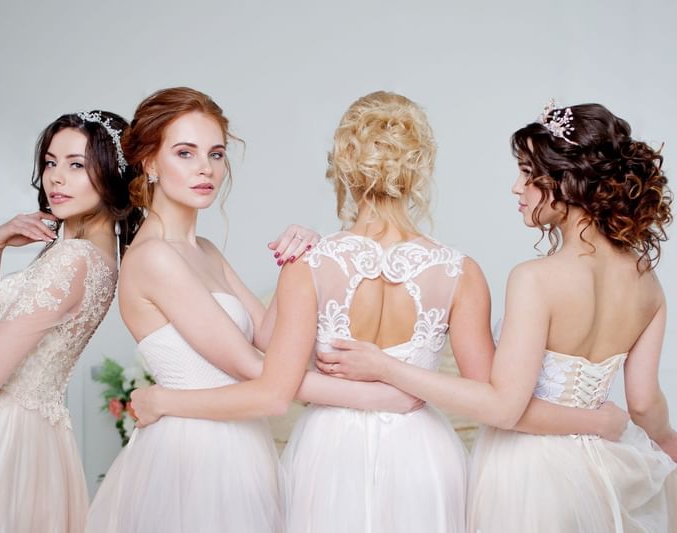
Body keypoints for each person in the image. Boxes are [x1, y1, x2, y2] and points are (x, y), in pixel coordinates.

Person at [128, 92, 628, 533]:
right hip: (423, 451)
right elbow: (491, 396)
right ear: (418, 170)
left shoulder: (312, 266)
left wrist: (297, 262)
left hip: (330, 448)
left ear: (343, 167)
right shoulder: (461, 271)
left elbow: (272, 372)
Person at [318, 101, 677, 532]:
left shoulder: (536, 279)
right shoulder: (647, 284)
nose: (517, 187)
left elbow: (503, 407)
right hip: (606, 466)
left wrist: (384, 367)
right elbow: (642, 401)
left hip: (530, 473)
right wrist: (666, 441)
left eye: (527, 173)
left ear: (566, 183)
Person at [84, 87, 427, 533]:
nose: (205, 168)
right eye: (185, 153)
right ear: (150, 162)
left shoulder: (202, 249)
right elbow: (259, 372)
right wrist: (379, 397)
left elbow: (267, 335)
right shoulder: (154, 258)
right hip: (195, 453)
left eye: (216, 153)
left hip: (239, 442)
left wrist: (299, 258)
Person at [0, 110, 140, 533]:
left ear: (111, 173)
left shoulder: (73, 261)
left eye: (77, 164)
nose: (56, 178)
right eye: (51, 162)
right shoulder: (89, 258)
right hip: (25, 434)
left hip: (3, 438)